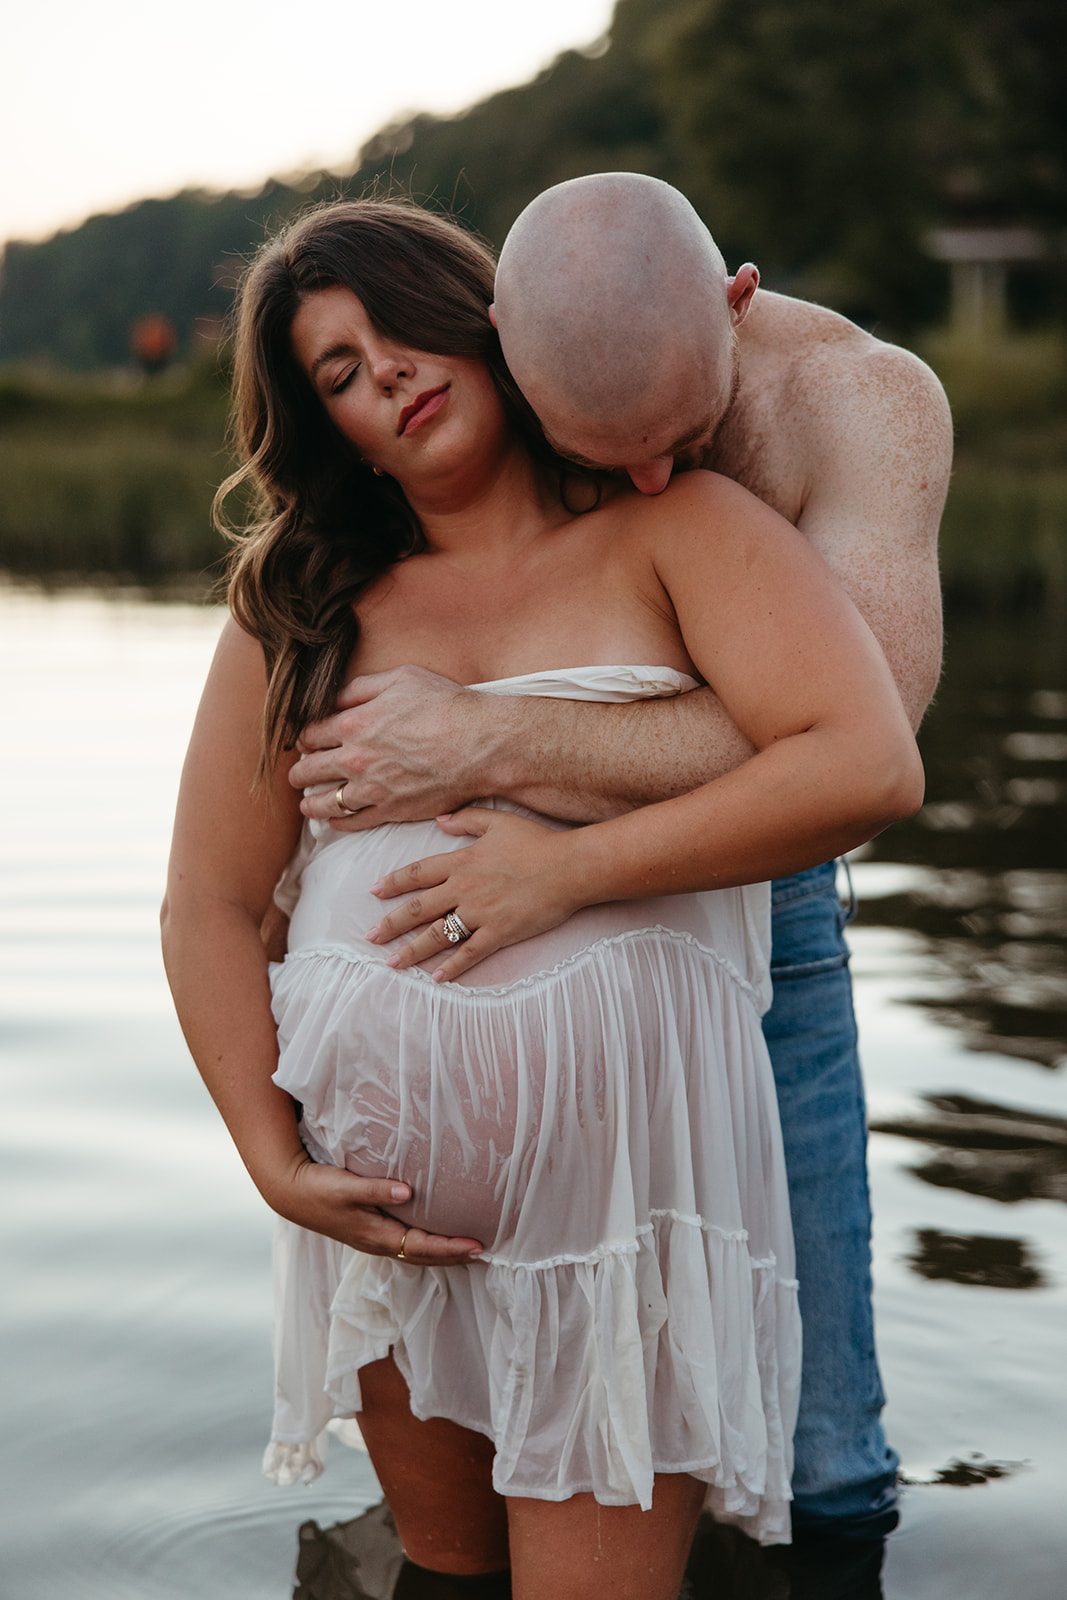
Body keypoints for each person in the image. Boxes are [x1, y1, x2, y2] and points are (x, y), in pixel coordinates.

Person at [161, 198, 922, 1600]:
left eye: (394, 327)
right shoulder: (302, 599)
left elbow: (866, 762)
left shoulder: (683, 527)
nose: (380, 372)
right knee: (442, 1583)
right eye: (336, 372)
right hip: (390, 1212)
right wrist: (272, 1160)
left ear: (485, 319)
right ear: (327, 426)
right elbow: (205, 901)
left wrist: (562, 868)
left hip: (628, 1206)